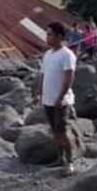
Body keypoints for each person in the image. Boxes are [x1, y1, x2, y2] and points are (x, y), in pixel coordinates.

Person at [33, 22, 80, 176]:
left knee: (62, 131)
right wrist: (38, 93)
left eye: (50, 34)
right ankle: (60, 159)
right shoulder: (48, 54)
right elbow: (43, 75)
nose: (47, 37)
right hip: (48, 99)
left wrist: (60, 97)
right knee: (54, 130)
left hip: (61, 100)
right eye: (47, 34)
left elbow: (69, 77)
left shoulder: (67, 54)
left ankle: (70, 162)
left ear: (60, 36)